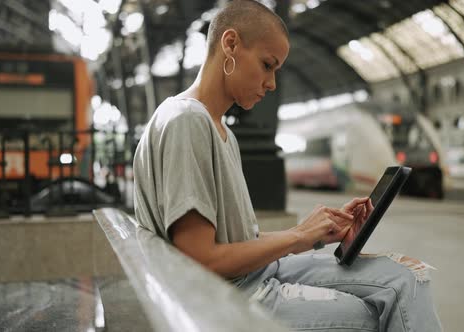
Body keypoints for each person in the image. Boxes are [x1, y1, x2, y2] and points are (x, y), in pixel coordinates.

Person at [133, 1, 442, 331]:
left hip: (256, 274)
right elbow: (202, 260)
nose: (272, 83)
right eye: (267, 65)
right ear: (230, 44)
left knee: (407, 278)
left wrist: (314, 233)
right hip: (233, 294)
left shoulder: (216, 128)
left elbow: (234, 239)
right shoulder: (187, 122)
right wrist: (297, 236)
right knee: (372, 314)